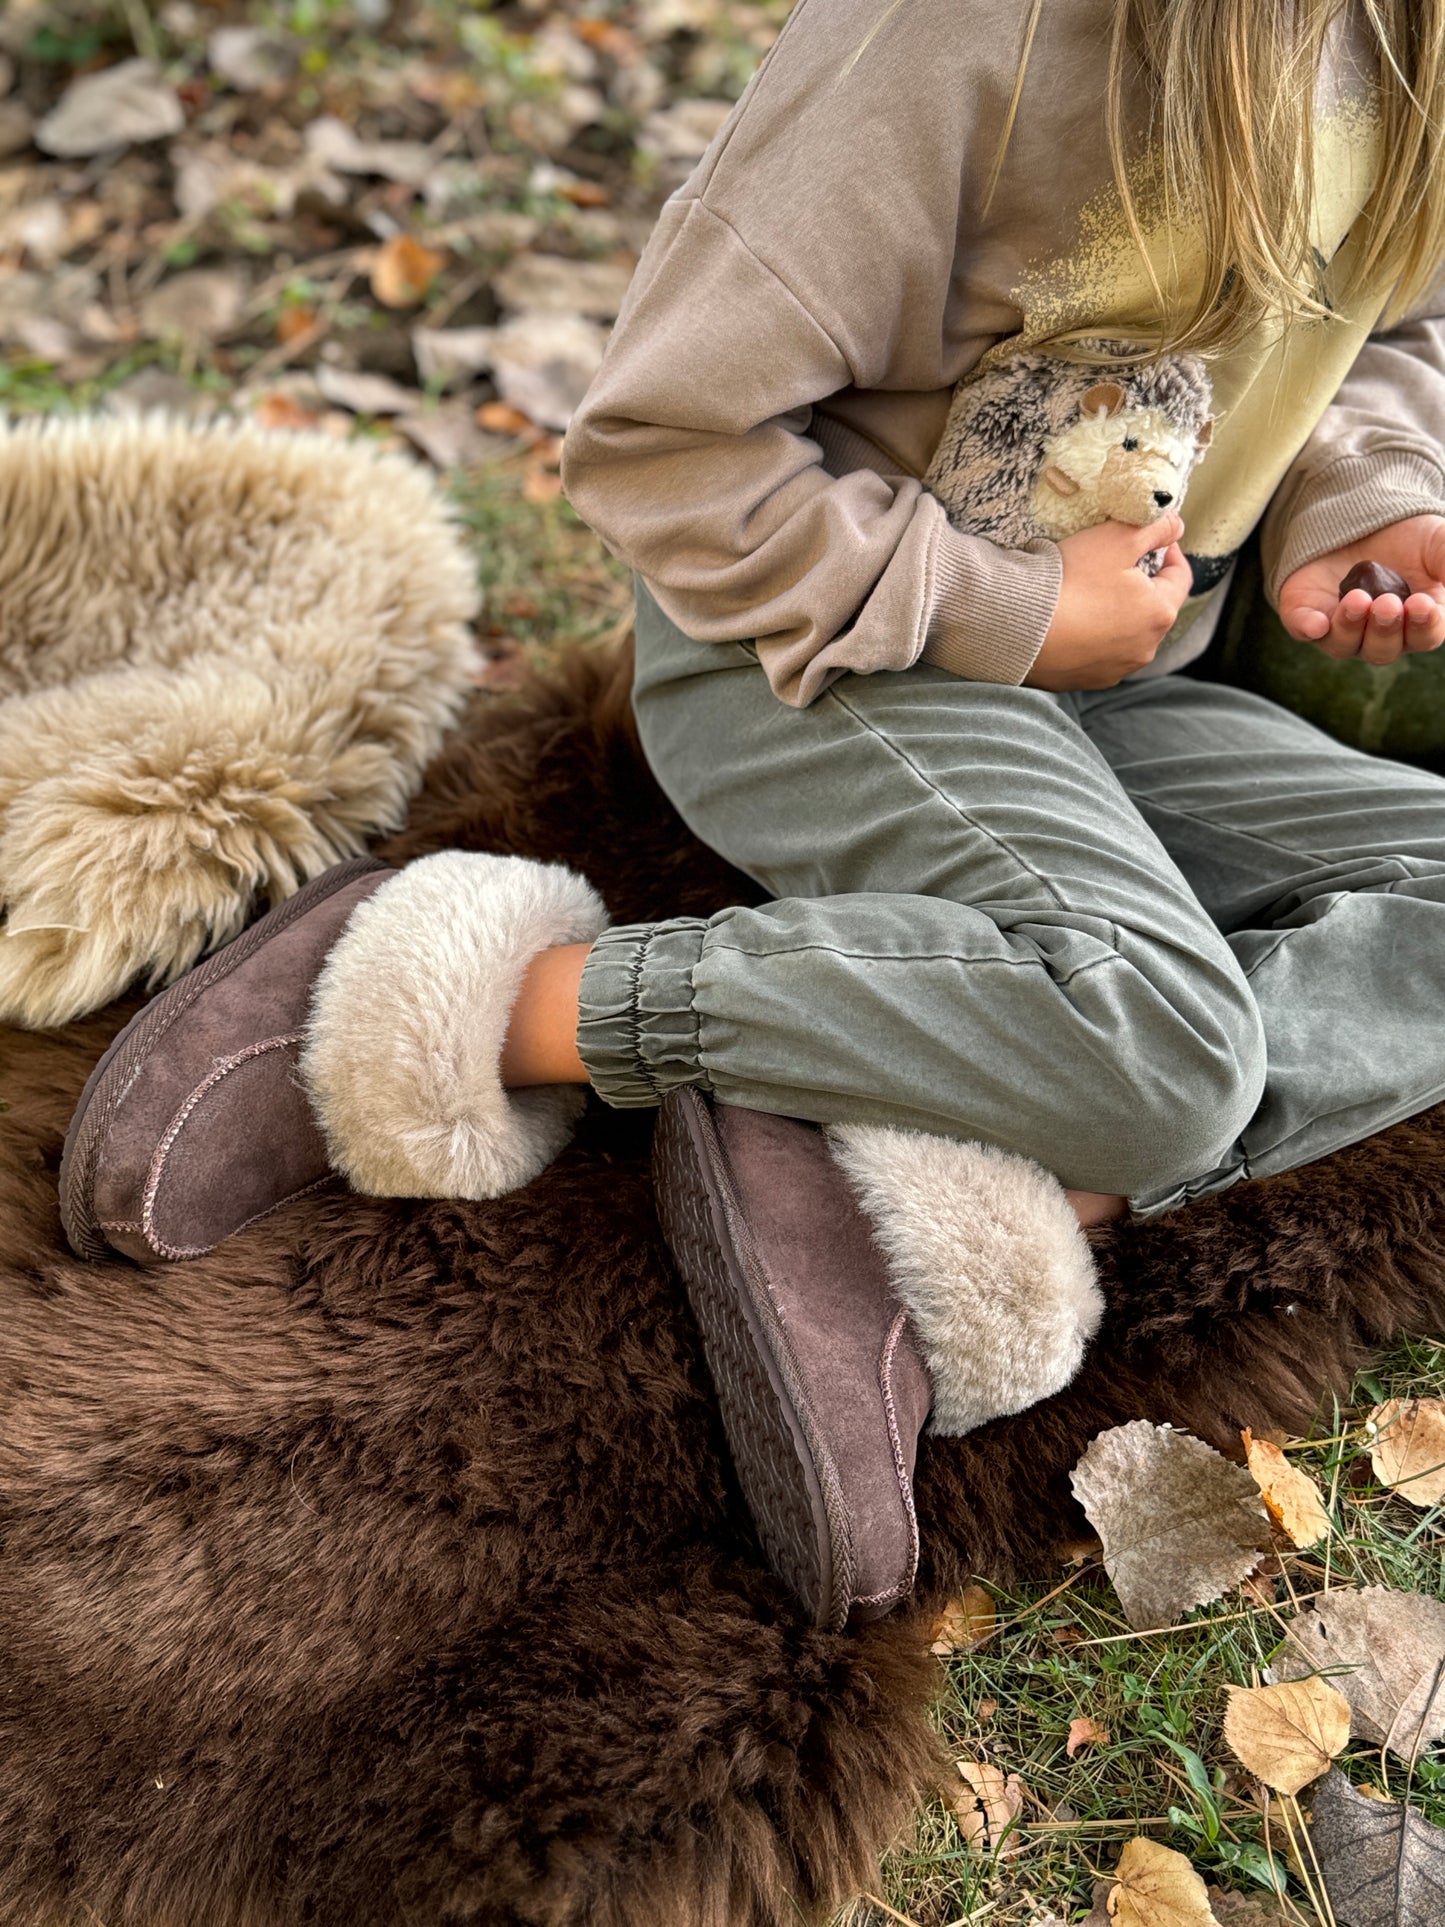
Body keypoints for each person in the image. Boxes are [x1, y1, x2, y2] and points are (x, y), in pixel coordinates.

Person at [61, 0, 1445, 1631]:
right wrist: (1005, 609)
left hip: (1116, 680)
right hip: (816, 658)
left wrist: (1368, 493)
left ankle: (941, 1128)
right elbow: (664, 444)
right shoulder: (954, 42)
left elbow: (1379, 330)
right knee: (1168, 1053)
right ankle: (461, 996)